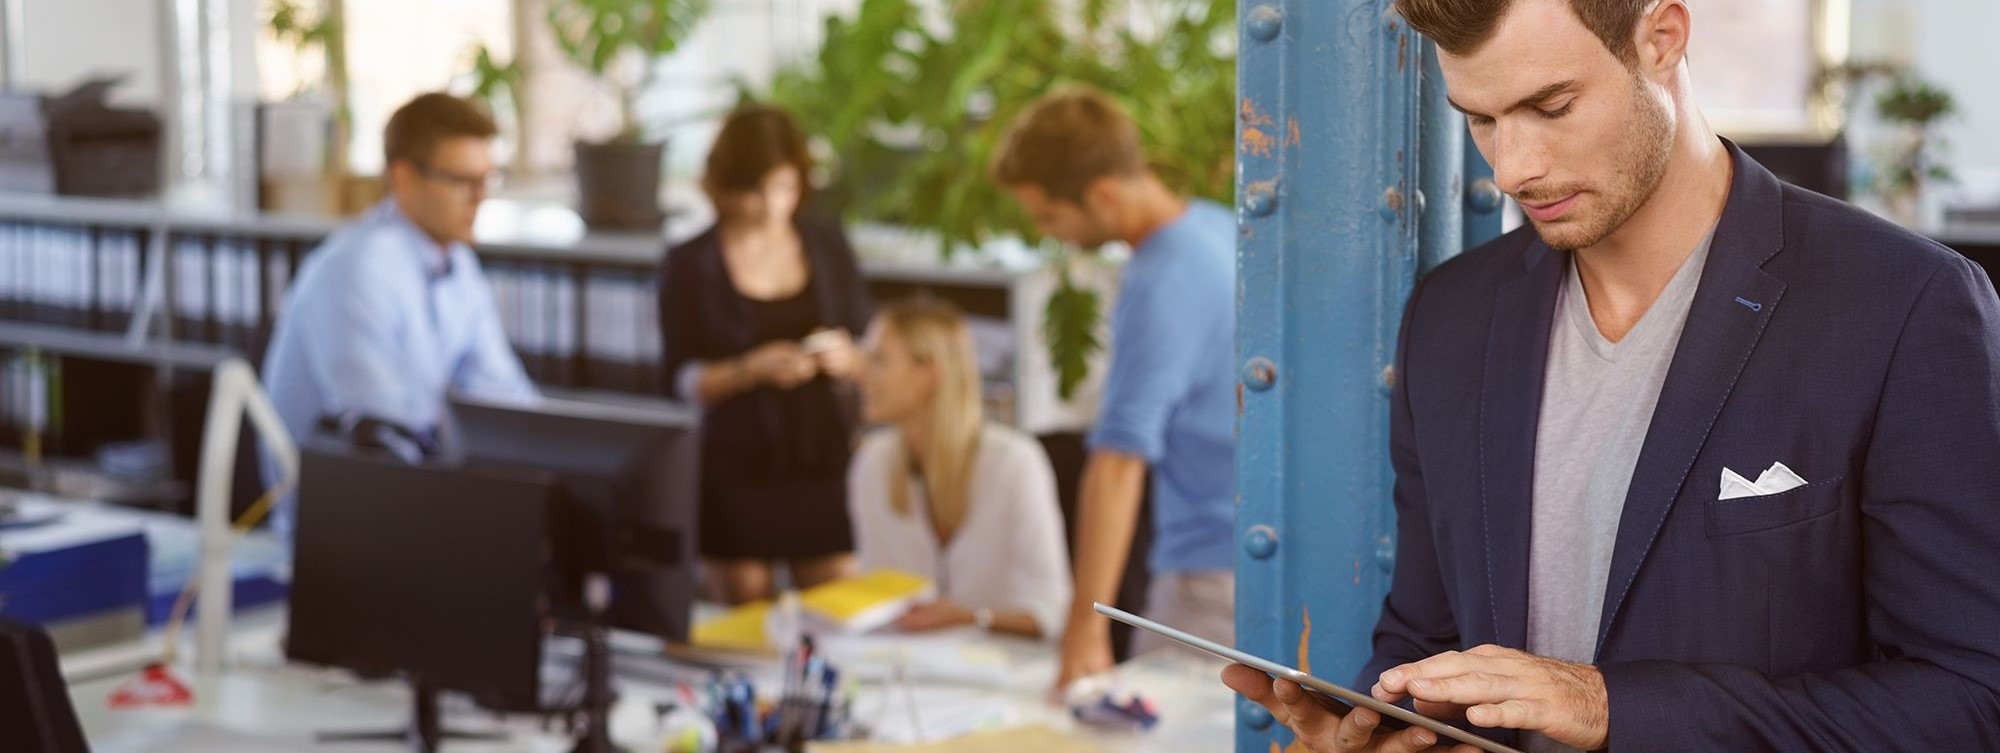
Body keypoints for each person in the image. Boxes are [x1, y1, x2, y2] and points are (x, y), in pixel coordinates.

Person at [1222, 1, 2000, 751]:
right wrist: (1391, 729)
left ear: (1662, 38)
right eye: (1482, 119)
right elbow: (1427, 639)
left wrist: (1609, 706)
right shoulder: (1450, 319)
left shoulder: (1906, 304)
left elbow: (1972, 698)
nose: (1515, 170)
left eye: (1552, 106)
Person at [990, 87, 1238, 688]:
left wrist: (1086, 626)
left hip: (1207, 580)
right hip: (1244, 554)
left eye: (1049, 215)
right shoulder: (1218, 227)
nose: (1050, 233)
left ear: (1101, 194)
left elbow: (1119, 462)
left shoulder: (1160, 278)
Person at [262, 93, 536, 537]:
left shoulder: (456, 265)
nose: (480, 198)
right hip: (341, 532)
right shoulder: (358, 268)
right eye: (463, 181)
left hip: (415, 512)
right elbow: (385, 439)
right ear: (405, 179)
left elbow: (505, 400)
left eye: (489, 179)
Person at [658, 105, 870, 605]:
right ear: (726, 188)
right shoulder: (691, 263)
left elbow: (869, 347)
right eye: (758, 192)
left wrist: (846, 357)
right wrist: (751, 369)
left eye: (786, 189)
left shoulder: (826, 243)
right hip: (736, 470)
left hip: (819, 459)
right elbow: (680, 380)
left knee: (833, 616)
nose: (774, 207)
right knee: (746, 628)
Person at [847, 298, 1072, 639]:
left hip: (1004, 669)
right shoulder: (873, 463)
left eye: (879, 360)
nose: (861, 373)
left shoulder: (1014, 462)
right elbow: (878, 596)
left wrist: (971, 617)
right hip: (907, 668)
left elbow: (1052, 610)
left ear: (930, 373)